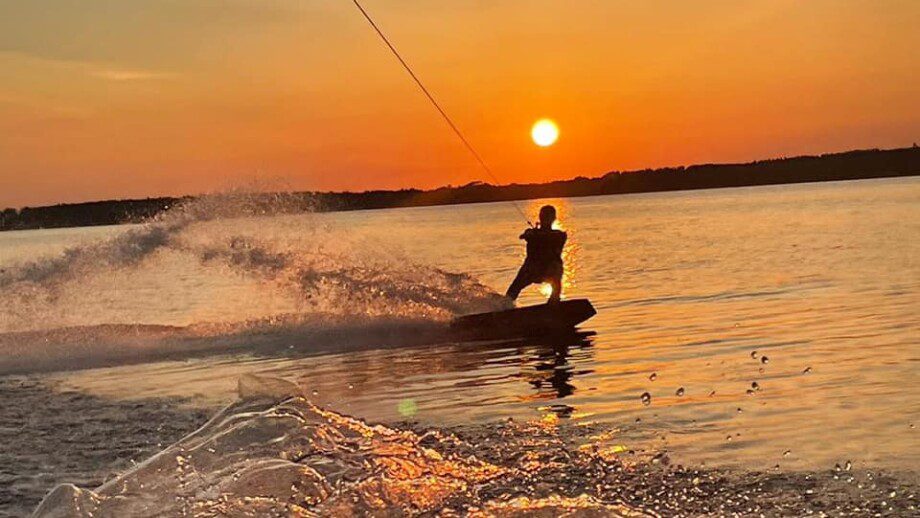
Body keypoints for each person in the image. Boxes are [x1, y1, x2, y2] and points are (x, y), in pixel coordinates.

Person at [506, 205, 567, 303]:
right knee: (515, 287)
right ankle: (504, 306)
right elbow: (524, 235)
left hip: (549, 270)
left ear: (553, 218)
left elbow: (553, 237)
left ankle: (554, 302)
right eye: (544, 216)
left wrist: (538, 235)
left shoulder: (559, 235)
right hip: (531, 270)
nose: (545, 219)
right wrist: (530, 235)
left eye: (548, 216)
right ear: (540, 217)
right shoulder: (531, 232)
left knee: (557, 270)